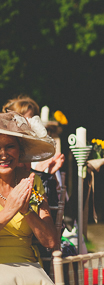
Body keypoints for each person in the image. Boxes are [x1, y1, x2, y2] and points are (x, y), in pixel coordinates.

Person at [0, 111, 57, 284]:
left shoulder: (31, 181)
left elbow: (51, 242)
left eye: (9, 146)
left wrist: (26, 211)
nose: (3, 154)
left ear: (20, 150)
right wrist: (10, 209)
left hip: (28, 267)